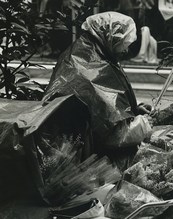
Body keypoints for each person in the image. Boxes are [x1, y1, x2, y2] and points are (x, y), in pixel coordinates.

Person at [43, 12, 153, 161]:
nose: (126, 51)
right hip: (81, 159)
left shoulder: (85, 52)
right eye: (123, 44)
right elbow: (114, 135)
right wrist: (143, 124)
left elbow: (104, 108)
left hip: (71, 149)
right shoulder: (94, 68)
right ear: (111, 37)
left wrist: (132, 110)